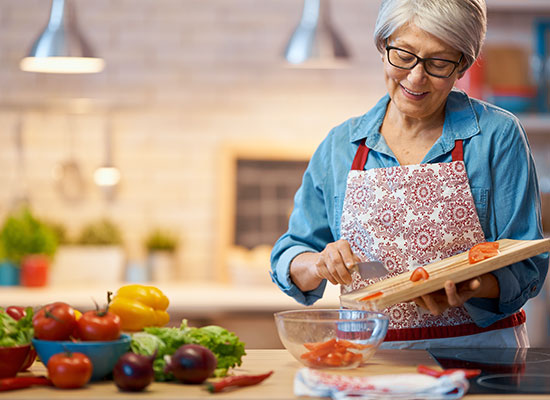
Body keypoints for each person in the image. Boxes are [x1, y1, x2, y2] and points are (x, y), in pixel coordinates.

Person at [270, 0, 549, 349]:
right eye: (403, 55)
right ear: (382, 46)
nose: (416, 77)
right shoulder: (340, 145)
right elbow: (291, 255)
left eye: (439, 63)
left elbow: (528, 264)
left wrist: (472, 286)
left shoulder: (497, 136)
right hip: (368, 359)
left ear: (462, 64)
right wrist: (318, 263)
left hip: (480, 355)